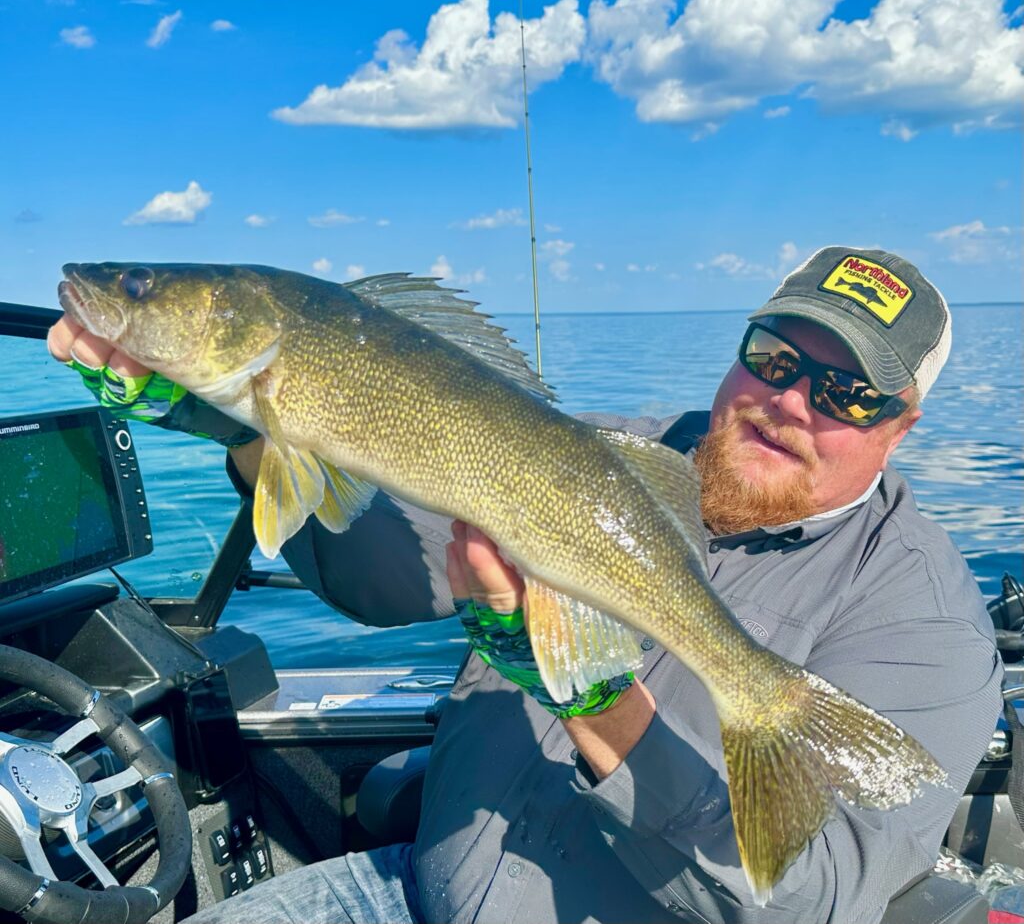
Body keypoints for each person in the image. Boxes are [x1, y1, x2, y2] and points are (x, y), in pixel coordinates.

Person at [49, 245, 1001, 923]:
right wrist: (249, 436)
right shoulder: (605, 451)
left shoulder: (929, 621)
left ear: (901, 424)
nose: (790, 399)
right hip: (412, 894)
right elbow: (386, 578)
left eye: (845, 393)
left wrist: (588, 694)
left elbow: (810, 899)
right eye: (775, 357)